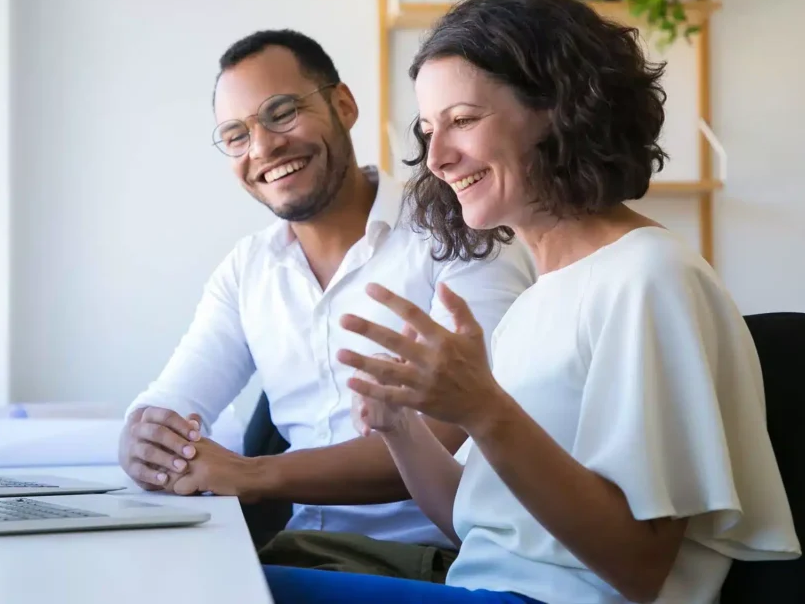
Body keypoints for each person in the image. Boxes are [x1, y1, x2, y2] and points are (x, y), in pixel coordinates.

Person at [263, 0, 801, 603]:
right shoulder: (536, 299)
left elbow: (639, 566)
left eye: (463, 120)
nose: (436, 157)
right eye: (428, 129)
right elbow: (484, 534)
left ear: (558, 107)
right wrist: (399, 429)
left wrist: (484, 409)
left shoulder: (649, 276)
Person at [118, 29, 537, 581]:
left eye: (282, 112)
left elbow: (450, 430)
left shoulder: (459, 234)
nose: (263, 147)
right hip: (308, 556)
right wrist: (143, 439)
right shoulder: (249, 269)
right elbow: (172, 400)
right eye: (236, 135)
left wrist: (254, 474)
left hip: (439, 563)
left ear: (343, 105)